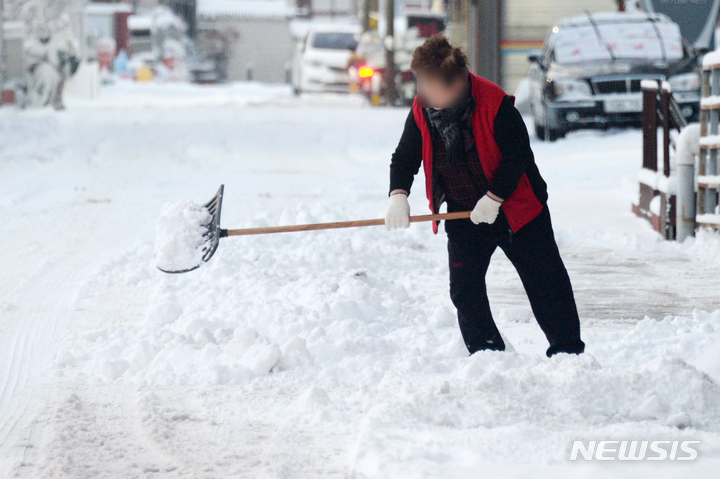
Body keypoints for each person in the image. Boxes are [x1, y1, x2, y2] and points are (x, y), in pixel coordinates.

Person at [384, 35, 585, 358]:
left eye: (430, 86)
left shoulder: (494, 103)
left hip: (518, 209)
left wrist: (494, 198)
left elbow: (517, 155)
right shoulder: (423, 109)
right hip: (465, 212)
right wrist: (398, 194)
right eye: (421, 84)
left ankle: (567, 352)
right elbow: (406, 155)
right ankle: (487, 353)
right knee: (464, 289)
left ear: (457, 82)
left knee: (545, 282)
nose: (422, 92)